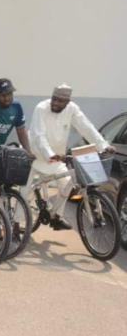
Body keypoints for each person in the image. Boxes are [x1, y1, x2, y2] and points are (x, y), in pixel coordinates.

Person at [22, 84, 115, 231]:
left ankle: (56, 217)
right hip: (37, 156)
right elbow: (39, 135)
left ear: (68, 102)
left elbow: (86, 128)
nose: (56, 103)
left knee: (67, 185)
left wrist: (103, 146)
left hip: (57, 158)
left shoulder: (72, 109)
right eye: (54, 99)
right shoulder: (41, 108)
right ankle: (14, 224)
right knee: (24, 192)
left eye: (61, 101)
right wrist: (49, 154)